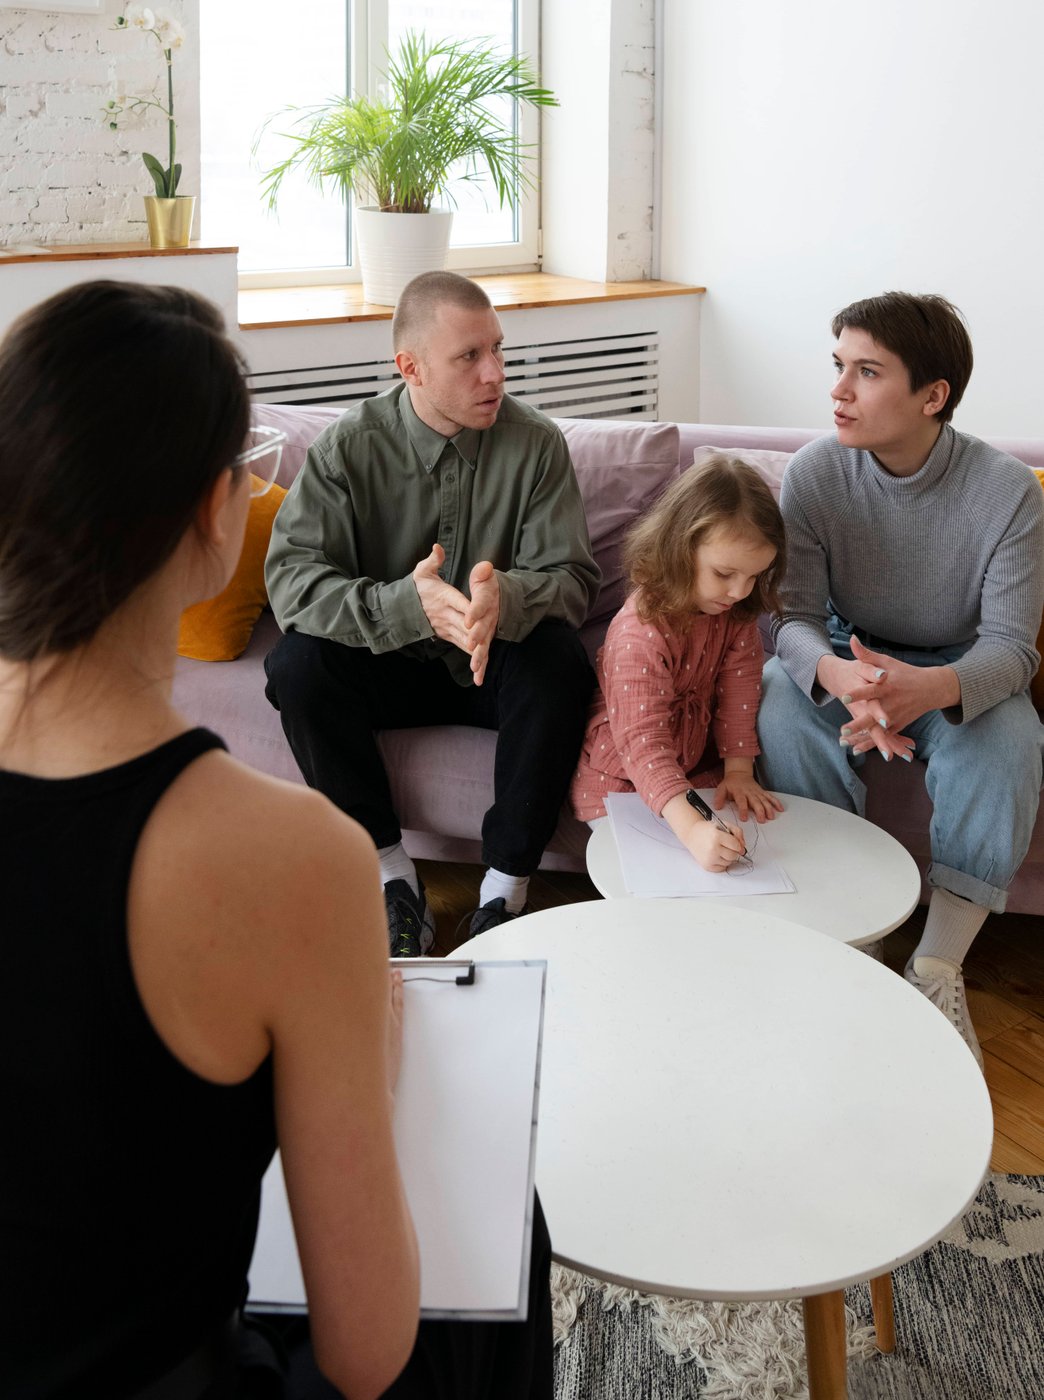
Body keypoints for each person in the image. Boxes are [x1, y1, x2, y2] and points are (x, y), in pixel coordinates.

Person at [0, 280, 553, 1400]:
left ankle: (504, 878)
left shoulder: (532, 448)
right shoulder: (295, 856)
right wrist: (370, 1064)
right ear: (219, 515)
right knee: (509, 1226)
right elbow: (366, 1352)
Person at [264, 271, 600, 953]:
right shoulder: (346, 449)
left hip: (489, 661)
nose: (496, 374)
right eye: (469, 357)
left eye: (497, 350)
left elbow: (571, 579)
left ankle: (504, 892)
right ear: (409, 367)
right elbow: (291, 582)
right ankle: (392, 878)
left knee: (560, 660)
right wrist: (402, 607)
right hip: (384, 660)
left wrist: (507, 597)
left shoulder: (535, 445)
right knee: (296, 666)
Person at [757, 291, 1044, 1067]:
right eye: (839, 366)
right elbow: (789, 616)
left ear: (932, 396)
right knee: (784, 699)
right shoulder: (816, 474)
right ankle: (857, 939)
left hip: (957, 667)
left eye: (867, 371)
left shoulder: (1009, 492)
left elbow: (1015, 649)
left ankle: (937, 967)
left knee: (1014, 735)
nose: (839, 390)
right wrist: (837, 673)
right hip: (853, 655)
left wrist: (928, 687)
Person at [571, 455, 786, 870]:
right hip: (621, 783)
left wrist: (739, 771)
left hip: (693, 770)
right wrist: (691, 829)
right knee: (669, 873)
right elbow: (643, 745)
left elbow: (740, 698)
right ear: (680, 549)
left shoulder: (734, 615)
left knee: (738, 860)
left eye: (755, 576)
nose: (740, 592)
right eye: (725, 573)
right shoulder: (639, 632)